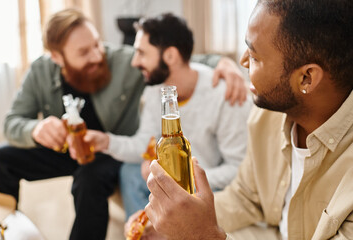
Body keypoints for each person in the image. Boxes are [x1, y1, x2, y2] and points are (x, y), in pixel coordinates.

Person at [0, 8, 248, 240]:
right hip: (66, 147)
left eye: (97, 44)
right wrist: (35, 130)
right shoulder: (40, 71)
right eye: (84, 52)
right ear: (57, 57)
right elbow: (12, 122)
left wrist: (224, 63)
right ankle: (3, 228)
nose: (97, 54)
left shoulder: (124, 61)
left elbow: (179, 61)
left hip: (105, 155)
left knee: (91, 179)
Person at [144, 0, 353, 239]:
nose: (242, 62)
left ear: (306, 78)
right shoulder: (265, 118)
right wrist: (176, 218)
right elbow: (245, 196)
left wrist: (202, 234)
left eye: (254, 57)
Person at [77, 13, 251, 224]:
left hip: (209, 183)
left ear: (170, 56)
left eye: (141, 53)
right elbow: (144, 143)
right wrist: (106, 142)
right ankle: (145, 233)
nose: (134, 62)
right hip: (174, 178)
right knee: (131, 172)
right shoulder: (155, 91)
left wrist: (179, 178)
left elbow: (237, 169)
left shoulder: (223, 94)